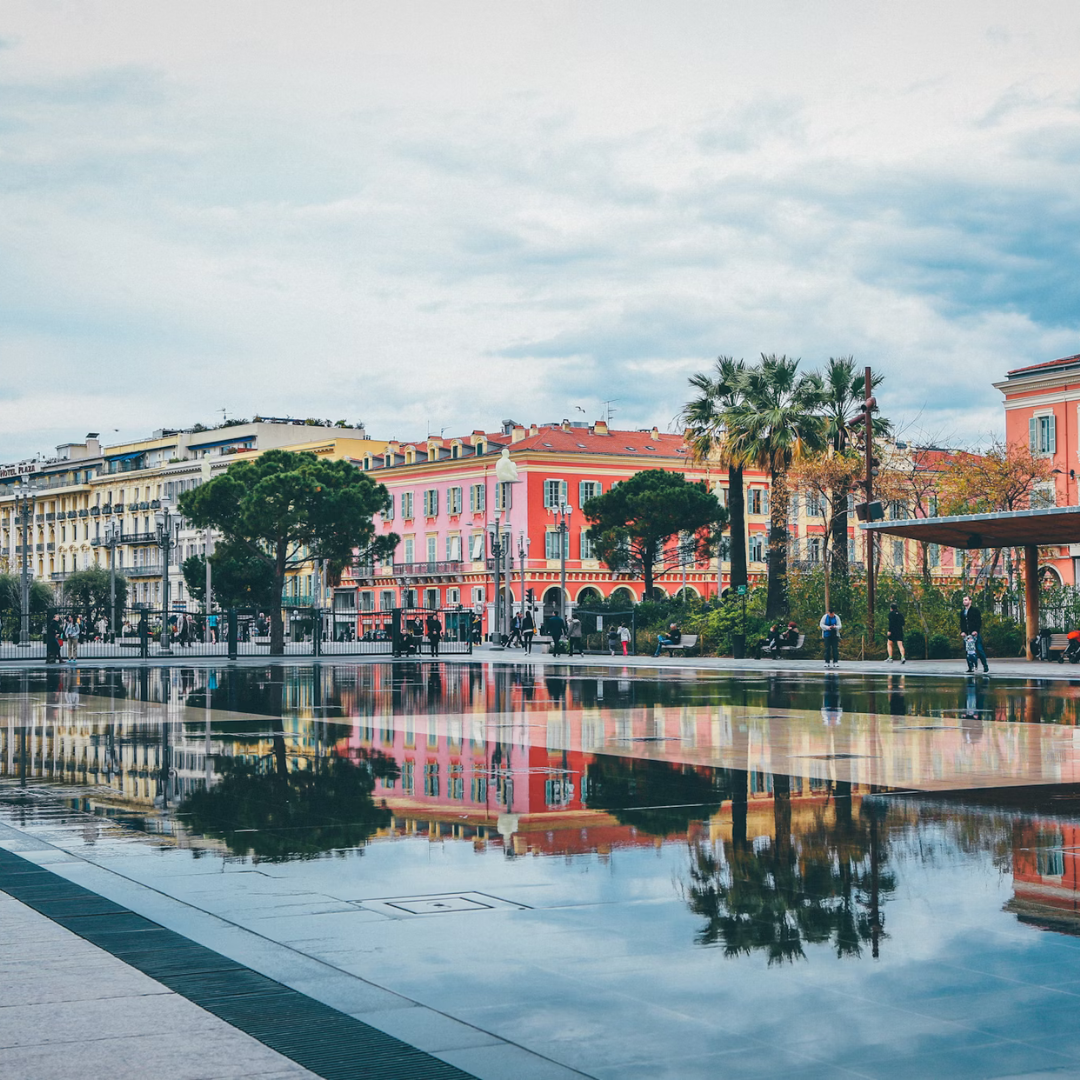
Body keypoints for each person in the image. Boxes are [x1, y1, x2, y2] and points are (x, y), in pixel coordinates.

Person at [959, 595, 989, 673]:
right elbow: (962, 623)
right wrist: (962, 631)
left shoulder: (975, 610)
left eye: (966, 600)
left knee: (979, 649)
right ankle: (970, 667)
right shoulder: (962, 612)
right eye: (963, 600)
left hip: (974, 634)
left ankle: (985, 666)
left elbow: (978, 621)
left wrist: (976, 630)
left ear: (970, 601)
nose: (964, 601)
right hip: (966, 635)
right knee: (968, 651)